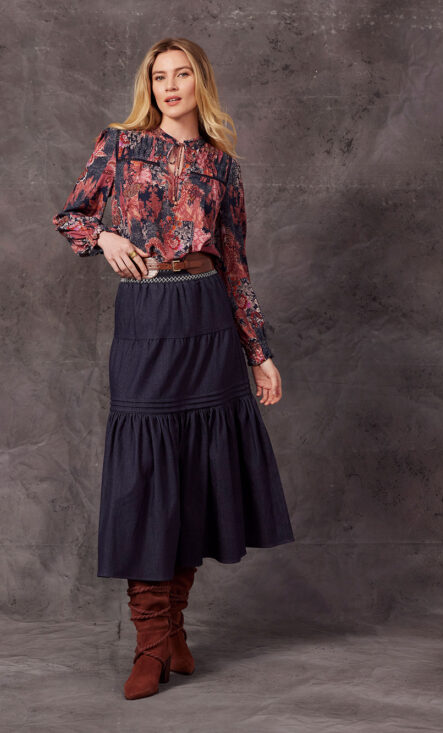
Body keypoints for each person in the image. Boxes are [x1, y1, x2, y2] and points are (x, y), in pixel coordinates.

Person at [52, 37, 295, 700]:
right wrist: (104, 235)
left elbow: (236, 264)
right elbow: (71, 215)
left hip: (208, 317)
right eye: (159, 75)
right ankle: (149, 645)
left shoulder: (223, 166)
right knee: (146, 474)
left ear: (200, 82)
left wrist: (260, 353)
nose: (169, 85)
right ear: (149, 85)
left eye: (182, 73)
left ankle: (173, 631)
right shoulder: (120, 144)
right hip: (147, 313)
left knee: (195, 473)